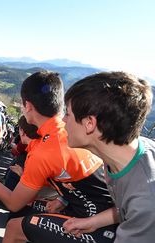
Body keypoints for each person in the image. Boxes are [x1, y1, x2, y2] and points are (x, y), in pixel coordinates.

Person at [0, 71, 118, 243]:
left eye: (22, 105)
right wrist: (62, 198)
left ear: (28, 106)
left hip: (100, 223)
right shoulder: (68, 130)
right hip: (99, 209)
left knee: (14, 228)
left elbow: (14, 204)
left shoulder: (43, 151)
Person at [62, 72, 155, 242]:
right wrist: (93, 222)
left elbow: (137, 209)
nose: (63, 120)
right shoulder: (120, 156)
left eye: (67, 114)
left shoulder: (146, 202)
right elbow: (124, 208)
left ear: (89, 123)